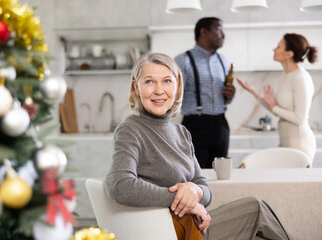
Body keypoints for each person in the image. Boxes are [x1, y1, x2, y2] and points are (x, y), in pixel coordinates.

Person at [105, 53, 292, 240]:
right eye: (149, 82)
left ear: (177, 86)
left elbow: (204, 187)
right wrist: (181, 199)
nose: (159, 90)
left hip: (193, 225)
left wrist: (195, 191)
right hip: (166, 230)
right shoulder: (130, 129)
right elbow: (120, 185)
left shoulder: (181, 133)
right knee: (255, 208)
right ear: (136, 88)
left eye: (167, 81)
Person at [237, 33, 317, 162]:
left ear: (289, 54)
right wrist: (254, 92)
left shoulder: (301, 78)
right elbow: (275, 108)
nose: (274, 49)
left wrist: (273, 107)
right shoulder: (285, 75)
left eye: (278, 46)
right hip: (286, 142)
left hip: (300, 144)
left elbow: (299, 119)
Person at [174, 17, 236, 169]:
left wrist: (230, 96)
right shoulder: (183, 60)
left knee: (220, 175)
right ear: (204, 32)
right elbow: (174, 95)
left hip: (221, 124)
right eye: (218, 29)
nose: (223, 34)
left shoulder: (223, 60)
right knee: (196, 174)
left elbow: (226, 98)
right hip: (196, 125)